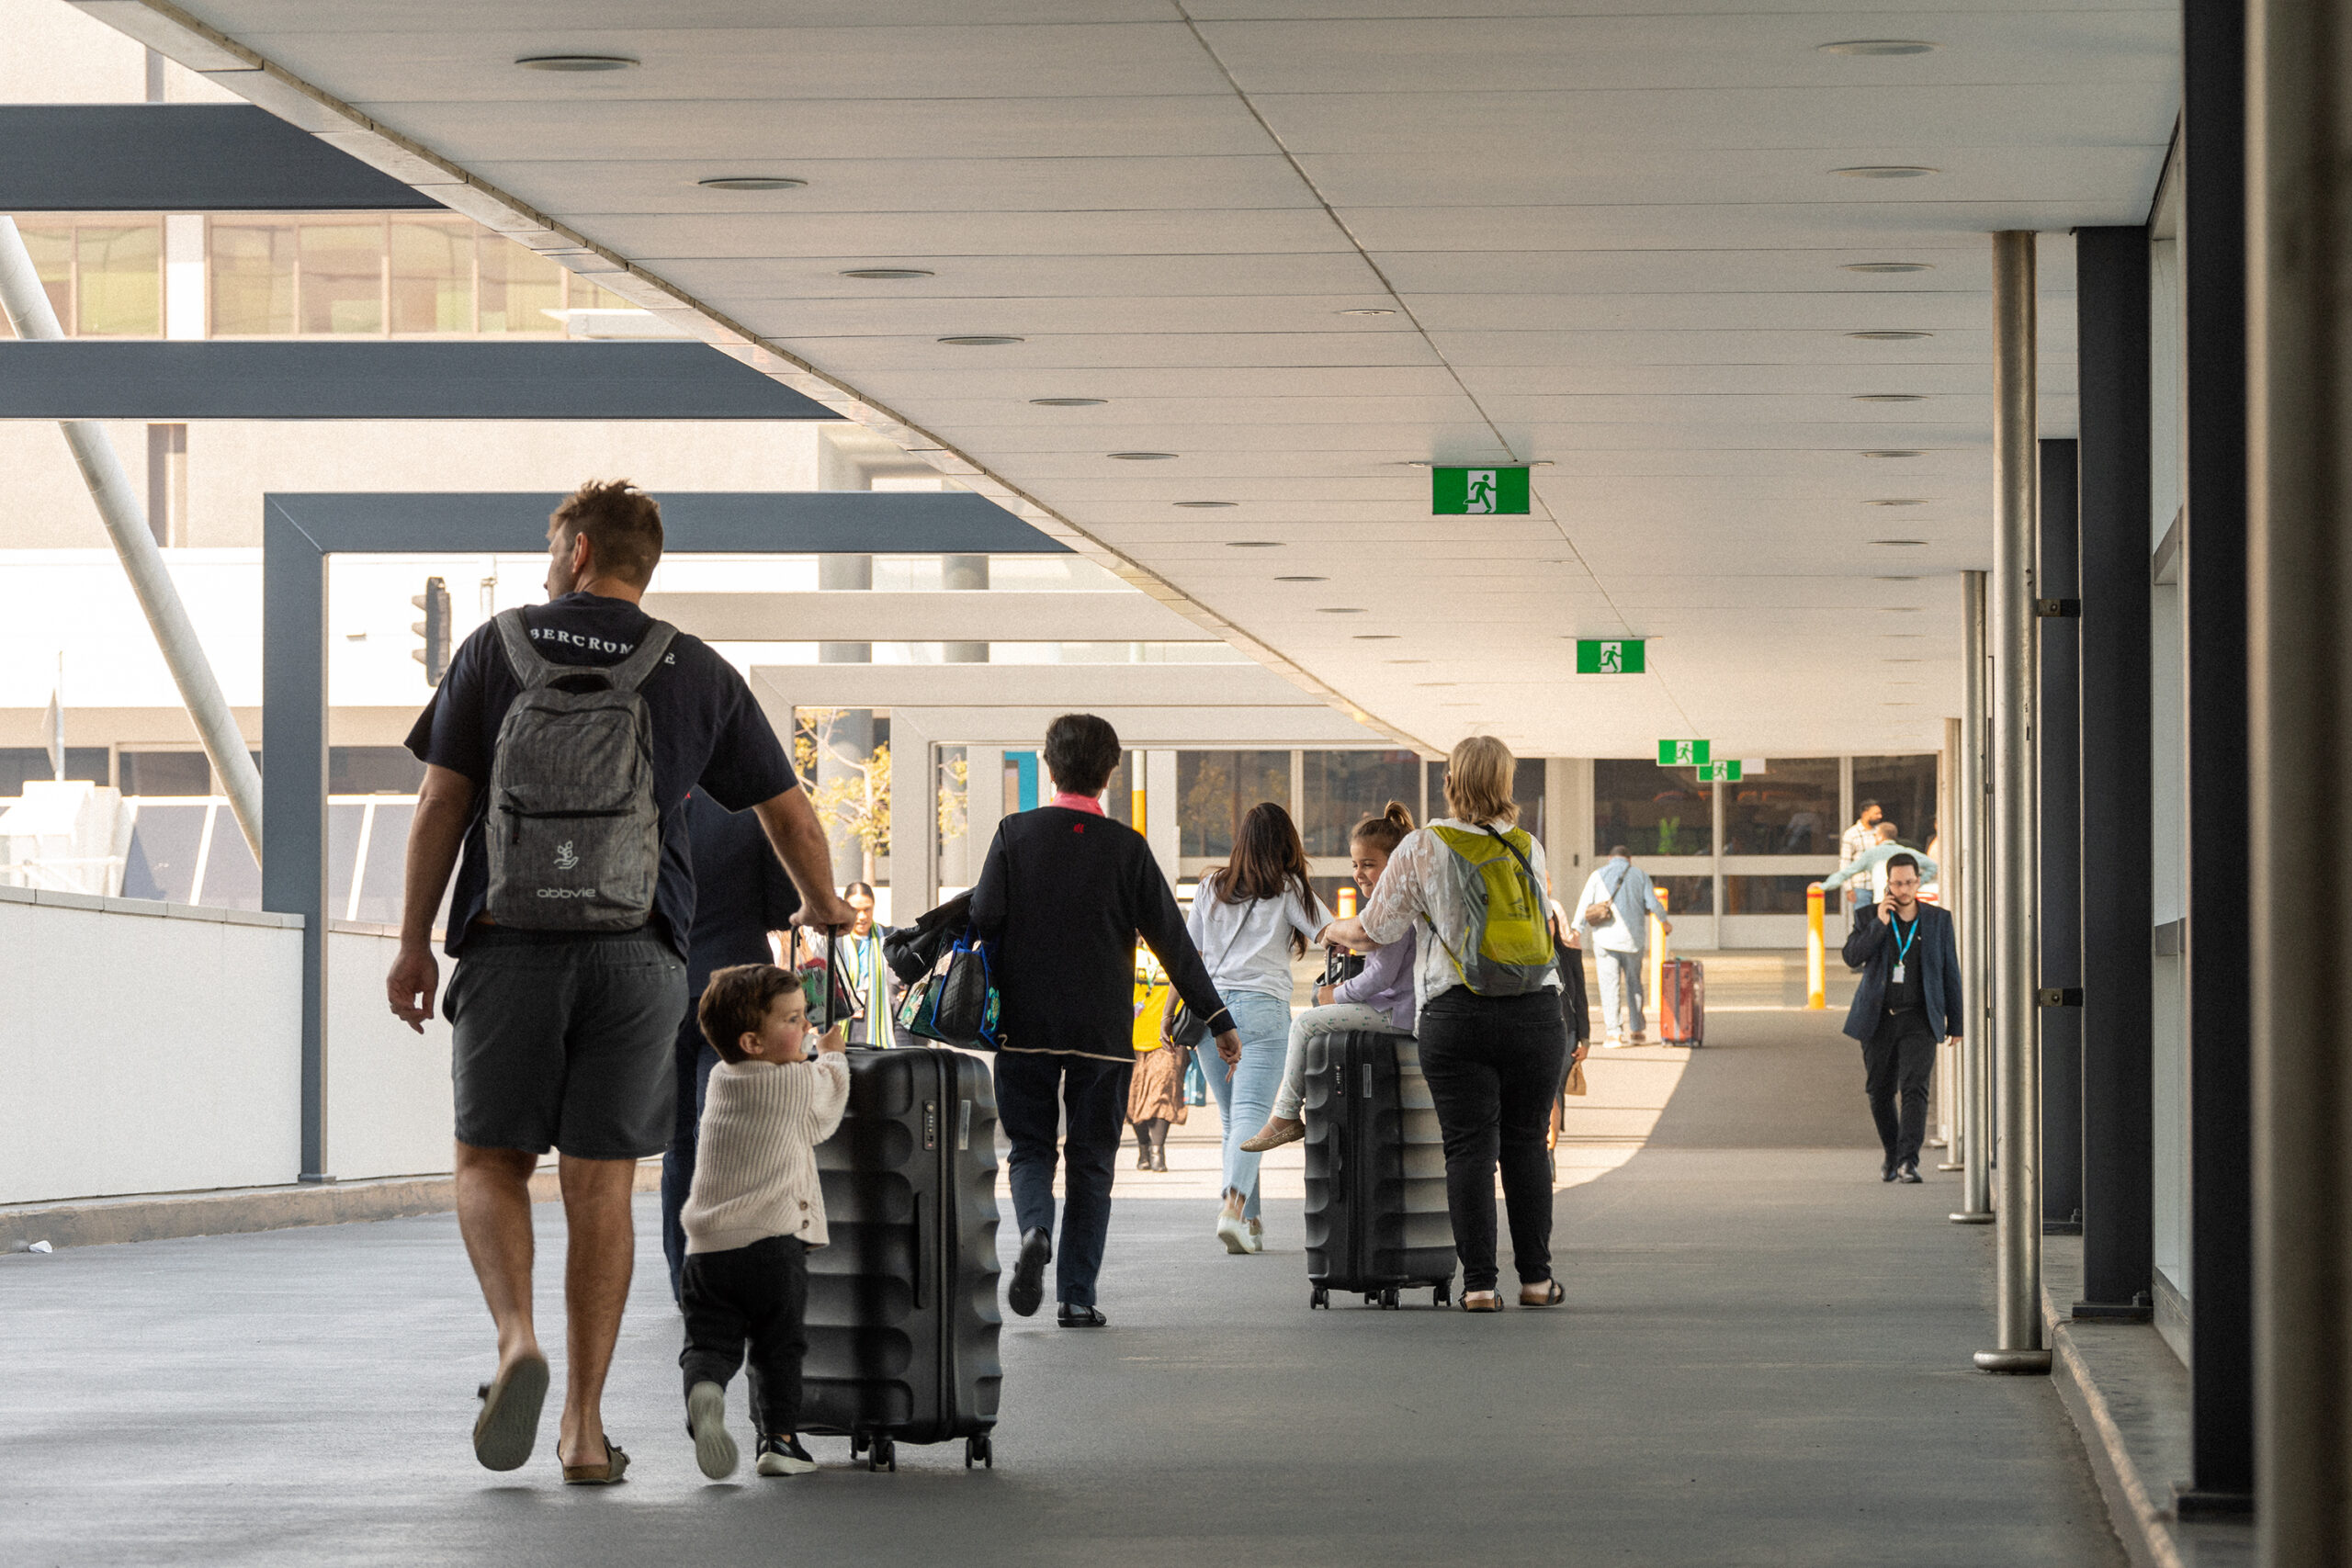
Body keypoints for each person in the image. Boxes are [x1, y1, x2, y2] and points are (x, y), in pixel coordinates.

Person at [386, 479, 853, 1484]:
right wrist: (822, 905)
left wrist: (414, 941)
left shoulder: (495, 647)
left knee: (487, 1163)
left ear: (580, 551)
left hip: (508, 942)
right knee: (601, 1186)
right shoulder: (691, 668)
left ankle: (516, 1339)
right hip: (641, 955)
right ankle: (586, 1432)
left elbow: (439, 807)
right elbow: (791, 815)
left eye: (551, 547)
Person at [969, 713, 1237, 1326]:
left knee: (1032, 1148)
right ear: (1110, 769)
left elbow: (984, 917)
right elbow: (1174, 942)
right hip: (1103, 1036)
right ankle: (1077, 1295)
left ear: (1048, 763)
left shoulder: (1015, 834)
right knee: (1092, 1161)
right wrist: (1217, 1018)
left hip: (1026, 1026)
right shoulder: (1127, 848)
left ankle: (1036, 1228)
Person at [1324, 736, 1568, 1313]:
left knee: (1468, 1151)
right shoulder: (1527, 845)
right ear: (1505, 784)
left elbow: (1372, 932)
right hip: (1536, 1012)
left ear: (1451, 783)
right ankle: (1536, 1281)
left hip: (1457, 1014)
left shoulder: (1423, 845)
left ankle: (1480, 1285)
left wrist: (1327, 930)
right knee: (1528, 1144)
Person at [676, 964, 849, 1481]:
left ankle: (705, 1391)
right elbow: (830, 1102)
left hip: (706, 1251)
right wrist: (834, 1053)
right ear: (752, 1041)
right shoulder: (794, 1083)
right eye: (794, 1020)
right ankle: (780, 1441)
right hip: (772, 1247)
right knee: (779, 1348)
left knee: (708, 1343)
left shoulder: (722, 1079)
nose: (807, 1026)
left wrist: (803, 1042)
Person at [662, 789, 801, 1305]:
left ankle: (686, 1280)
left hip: (664, 987)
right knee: (729, 1137)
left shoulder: (650, 801)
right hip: (736, 993)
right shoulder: (748, 810)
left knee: (679, 1144)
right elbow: (784, 905)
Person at [1183, 801, 1333, 1254]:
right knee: (1252, 1115)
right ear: (1287, 843)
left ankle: (1250, 1223)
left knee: (1234, 1119)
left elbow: (1188, 959)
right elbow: (1330, 933)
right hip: (1263, 1011)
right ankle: (1232, 1207)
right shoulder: (1288, 888)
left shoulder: (1210, 886)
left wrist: (1173, 1017)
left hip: (1211, 1012)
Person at [1238, 800, 1418, 1155]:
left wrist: (1337, 995)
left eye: (1369, 865)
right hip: (1397, 1006)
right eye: (1355, 865)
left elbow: (1381, 976)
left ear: (1395, 864)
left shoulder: (1392, 907)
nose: (1359, 873)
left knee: (1305, 1025)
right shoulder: (1394, 901)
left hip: (1396, 1012)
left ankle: (1286, 1115)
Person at [1839, 852, 1964, 1184]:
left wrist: (1958, 1021)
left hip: (1920, 1018)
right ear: (1888, 885)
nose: (1904, 888)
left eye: (1910, 882)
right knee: (1879, 1091)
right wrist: (1879, 924)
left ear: (1918, 882)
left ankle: (1909, 1160)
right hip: (1878, 1019)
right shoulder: (1869, 916)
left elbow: (1950, 972)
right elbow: (1852, 956)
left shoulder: (1938, 920)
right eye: (1898, 883)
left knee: (1914, 1089)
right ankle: (1892, 1154)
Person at [1568, 845, 1670, 1046]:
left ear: (1609, 858)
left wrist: (1576, 930)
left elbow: (1584, 904)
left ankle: (1614, 1033)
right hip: (1633, 942)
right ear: (1629, 859)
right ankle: (1637, 1030)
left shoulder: (1598, 875)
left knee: (1609, 986)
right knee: (1634, 984)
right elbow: (1653, 902)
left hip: (1605, 940)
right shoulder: (1640, 876)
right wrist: (1664, 921)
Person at [1820, 821, 1940, 908]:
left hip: (1881, 902)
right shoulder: (1906, 851)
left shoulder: (1871, 854)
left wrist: (1824, 886)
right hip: (1904, 903)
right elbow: (1933, 867)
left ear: (1880, 836)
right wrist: (1916, 884)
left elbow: (1846, 872)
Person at [1839, 799, 1884, 916]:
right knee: (1863, 922)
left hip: (1881, 885)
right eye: (1876, 813)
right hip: (1861, 887)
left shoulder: (1881, 832)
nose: (1880, 816)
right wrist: (1848, 888)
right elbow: (1845, 862)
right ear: (1865, 814)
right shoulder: (1852, 834)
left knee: (1882, 922)